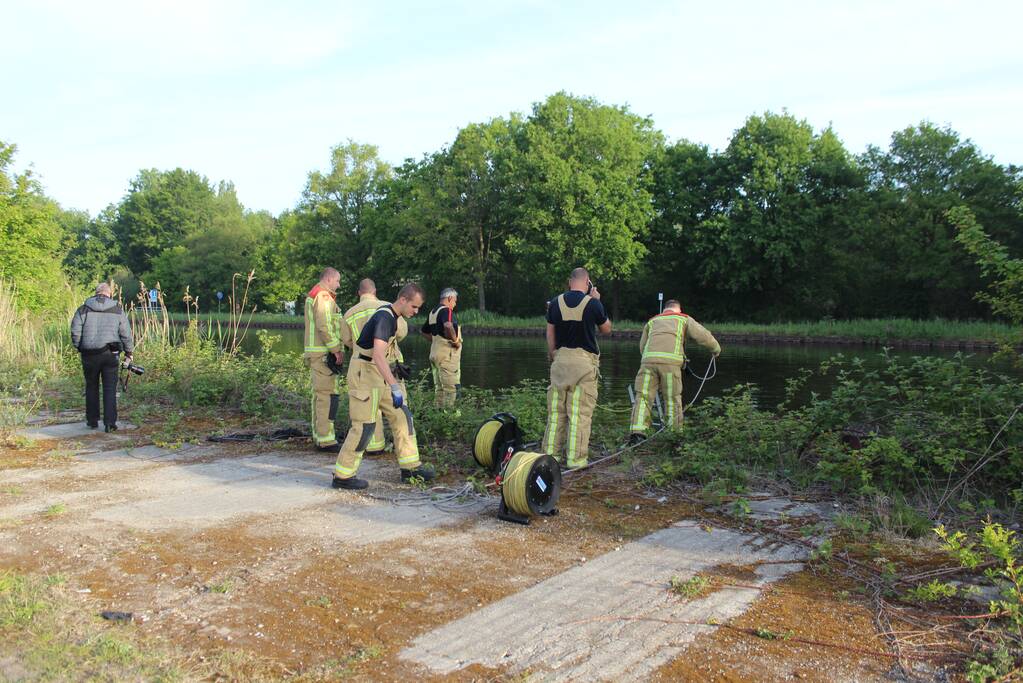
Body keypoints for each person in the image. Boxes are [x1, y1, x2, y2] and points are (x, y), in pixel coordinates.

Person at [332, 283, 434, 490]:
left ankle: (410, 468)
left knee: (402, 416)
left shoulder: (393, 316)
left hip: (380, 372)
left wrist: (394, 371)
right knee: (364, 426)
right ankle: (343, 476)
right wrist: (395, 386)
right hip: (365, 374)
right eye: (414, 306)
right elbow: (378, 355)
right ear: (403, 300)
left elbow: (383, 353)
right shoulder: (385, 317)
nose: (416, 311)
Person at [541, 268, 612, 469]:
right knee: (579, 414)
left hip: (560, 362)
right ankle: (576, 461)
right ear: (587, 282)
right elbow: (607, 329)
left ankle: (549, 459)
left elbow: (550, 333)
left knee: (556, 413)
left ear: (569, 281)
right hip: (583, 365)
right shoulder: (593, 303)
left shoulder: (555, 303)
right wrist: (597, 300)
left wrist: (554, 355)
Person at [628, 300, 720, 443]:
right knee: (672, 399)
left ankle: (637, 433)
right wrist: (715, 348)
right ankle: (674, 436)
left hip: (647, 363)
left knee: (643, 397)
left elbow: (642, 347)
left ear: (665, 310)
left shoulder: (652, 321)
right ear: (679, 309)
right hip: (670, 366)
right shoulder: (683, 319)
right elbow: (703, 335)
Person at [339, 278, 410, 454]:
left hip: (363, 367)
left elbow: (347, 340)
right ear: (375, 291)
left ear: (359, 293)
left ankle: (374, 446)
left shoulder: (349, 313)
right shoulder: (389, 308)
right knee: (400, 412)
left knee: (369, 410)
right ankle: (406, 455)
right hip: (389, 364)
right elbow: (401, 333)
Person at [70, 283, 134, 432]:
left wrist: (79, 346)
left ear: (96, 293)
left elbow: (75, 331)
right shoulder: (117, 310)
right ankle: (110, 423)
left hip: (89, 354)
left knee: (91, 386)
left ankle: (92, 421)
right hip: (110, 354)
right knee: (110, 388)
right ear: (109, 294)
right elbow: (126, 333)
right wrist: (129, 352)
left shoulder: (83, 309)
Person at [303, 268, 344, 451]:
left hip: (318, 354)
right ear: (329, 279)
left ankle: (320, 436)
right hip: (323, 354)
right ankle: (326, 441)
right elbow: (324, 325)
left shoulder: (316, 294)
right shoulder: (323, 296)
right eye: (337, 281)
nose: (338, 285)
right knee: (327, 397)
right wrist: (336, 350)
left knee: (320, 396)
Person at [422, 288, 462, 406]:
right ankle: (452, 415)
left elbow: (423, 331)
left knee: (439, 389)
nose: (455, 304)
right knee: (452, 389)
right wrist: (456, 341)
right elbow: (448, 325)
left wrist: (435, 340)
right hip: (447, 357)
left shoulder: (433, 313)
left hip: (435, 354)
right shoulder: (446, 310)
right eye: (455, 301)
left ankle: (438, 412)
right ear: (449, 298)